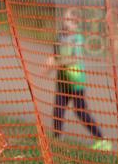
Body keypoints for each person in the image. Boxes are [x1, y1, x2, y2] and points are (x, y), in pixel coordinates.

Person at [46, 9, 112, 151]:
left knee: (81, 111)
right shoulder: (59, 37)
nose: (66, 23)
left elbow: (73, 59)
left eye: (70, 21)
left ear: (76, 24)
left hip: (76, 82)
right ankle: (57, 140)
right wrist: (48, 65)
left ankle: (102, 140)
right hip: (62, 82)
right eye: (65, 19)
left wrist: (56, 63)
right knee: (58, 110)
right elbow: (55, 55)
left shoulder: (78, 39)